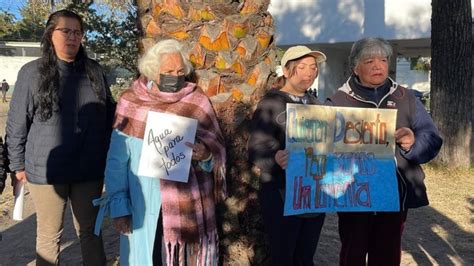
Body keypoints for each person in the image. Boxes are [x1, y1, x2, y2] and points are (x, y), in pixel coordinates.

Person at [93, 39, 226, 265]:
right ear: (153, 71)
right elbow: (117, 160)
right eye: (168, 71)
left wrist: (206, 155)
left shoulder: (197, 100)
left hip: (189, 209)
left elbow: (216, 148)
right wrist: (119, 207)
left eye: (180, 71)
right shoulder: (131, 101)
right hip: (143, 206)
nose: (175, 76)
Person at [6, 10, 115, 265]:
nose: (72, 37)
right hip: (47, 172)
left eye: (77, 32)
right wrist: (17, 165)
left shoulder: (94, 71)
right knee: (48, 235)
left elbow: (109, 115)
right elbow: (16, 122)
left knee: (91, 232)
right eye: (65, 31)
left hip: (88, 169)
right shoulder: (31, 73)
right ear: (49, 34)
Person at [326, 37, 443, 266]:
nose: (378, 66)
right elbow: (320, 147)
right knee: (353, 254)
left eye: (383, 59)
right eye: (369, 61)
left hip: (395, 196)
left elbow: (431, 138)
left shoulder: (406, 98)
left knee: (388, 256)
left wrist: (411, 144)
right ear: (355, 67)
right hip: (353, 197)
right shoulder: (337, 101)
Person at [248, 45, 327, 266]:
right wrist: (274, 158)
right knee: (283, 256)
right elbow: (255, 146)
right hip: (281, 194)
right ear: (286, 69)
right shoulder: (271, 103)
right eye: (301, 67)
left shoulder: (317, 104)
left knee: (305, 256)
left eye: (313, 68)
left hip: (313, 196)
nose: (309, 73)